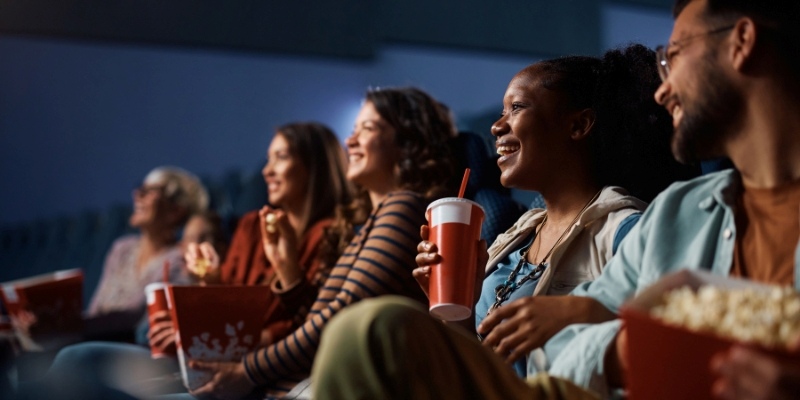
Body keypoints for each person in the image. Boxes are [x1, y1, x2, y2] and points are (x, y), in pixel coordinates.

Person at [310, 43, 700, 399]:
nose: (497, 126)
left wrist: (584, 310)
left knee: (374, 329)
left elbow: (679, 336)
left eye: (517, 108)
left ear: (578, 125)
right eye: (500, 112)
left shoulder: (626, 230)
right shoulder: (513, 238)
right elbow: (478, 365)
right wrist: (454, 307)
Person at [181, 87, 456, 399]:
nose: (350, 141)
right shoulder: (375, 220)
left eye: (367, 129)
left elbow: (337, 320)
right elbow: (317, 323)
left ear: (408, 143)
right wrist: (287, 268)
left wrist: (247, 371)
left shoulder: (404, 208)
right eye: (353, 130)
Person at [85, 166, 208, 340]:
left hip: (134, 347)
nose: (137, 195)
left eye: (149, 191)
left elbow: (146, 322)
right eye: (139, 188)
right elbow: (95, 310)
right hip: (96, 340)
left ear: (176, 211)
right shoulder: (121, 249)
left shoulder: (179, 258)